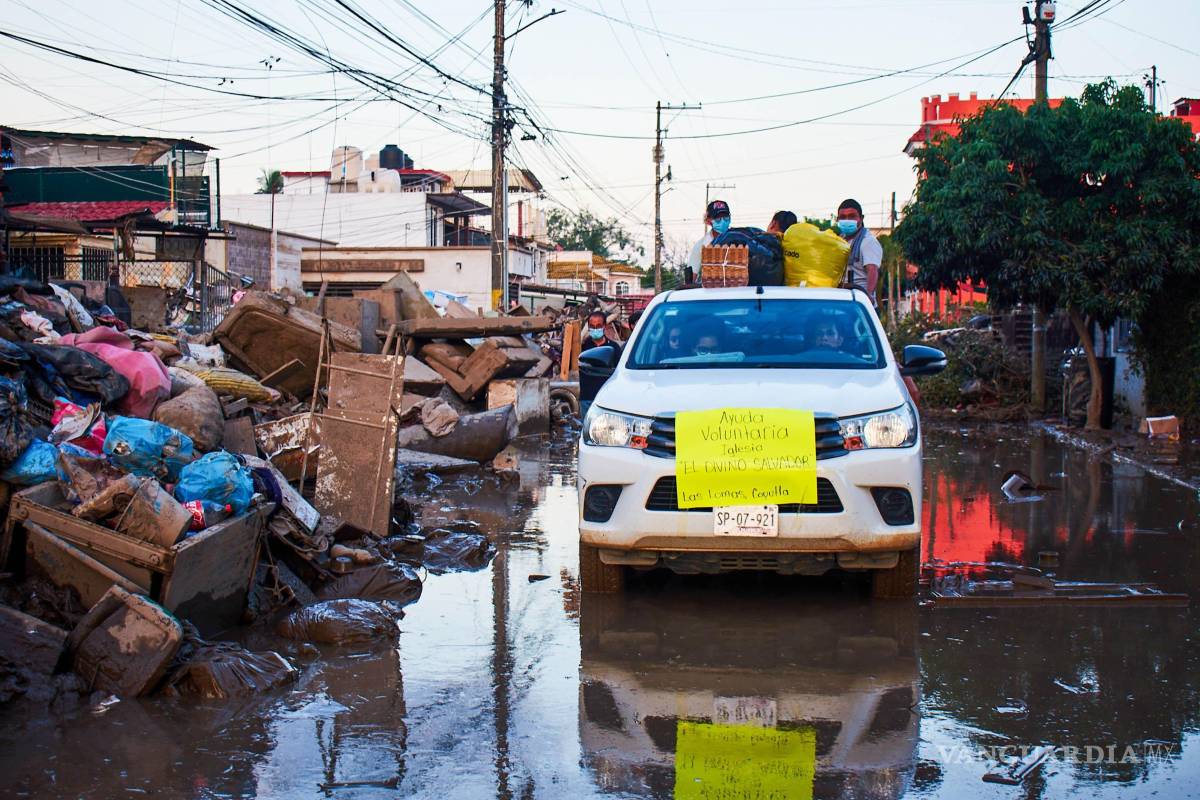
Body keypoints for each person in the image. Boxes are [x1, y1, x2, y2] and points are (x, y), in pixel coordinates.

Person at [835, 199, 882, 302]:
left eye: (852, 216)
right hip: (842, 301)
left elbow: (872, 270)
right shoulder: (839, 240)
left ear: (861, 218)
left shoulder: (868, 242)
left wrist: (868, 295)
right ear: (837, 219)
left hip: (859, 302)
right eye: (843, 217)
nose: (847, 220)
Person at [686, 199, 732, 277]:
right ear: (708, 220)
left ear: (730, 217)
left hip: (739, 287)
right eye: (718, 219)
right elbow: (690, 278)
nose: (723, 221)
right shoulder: (701, 245)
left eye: (726, 217)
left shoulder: (740, 238)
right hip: (711, 287)